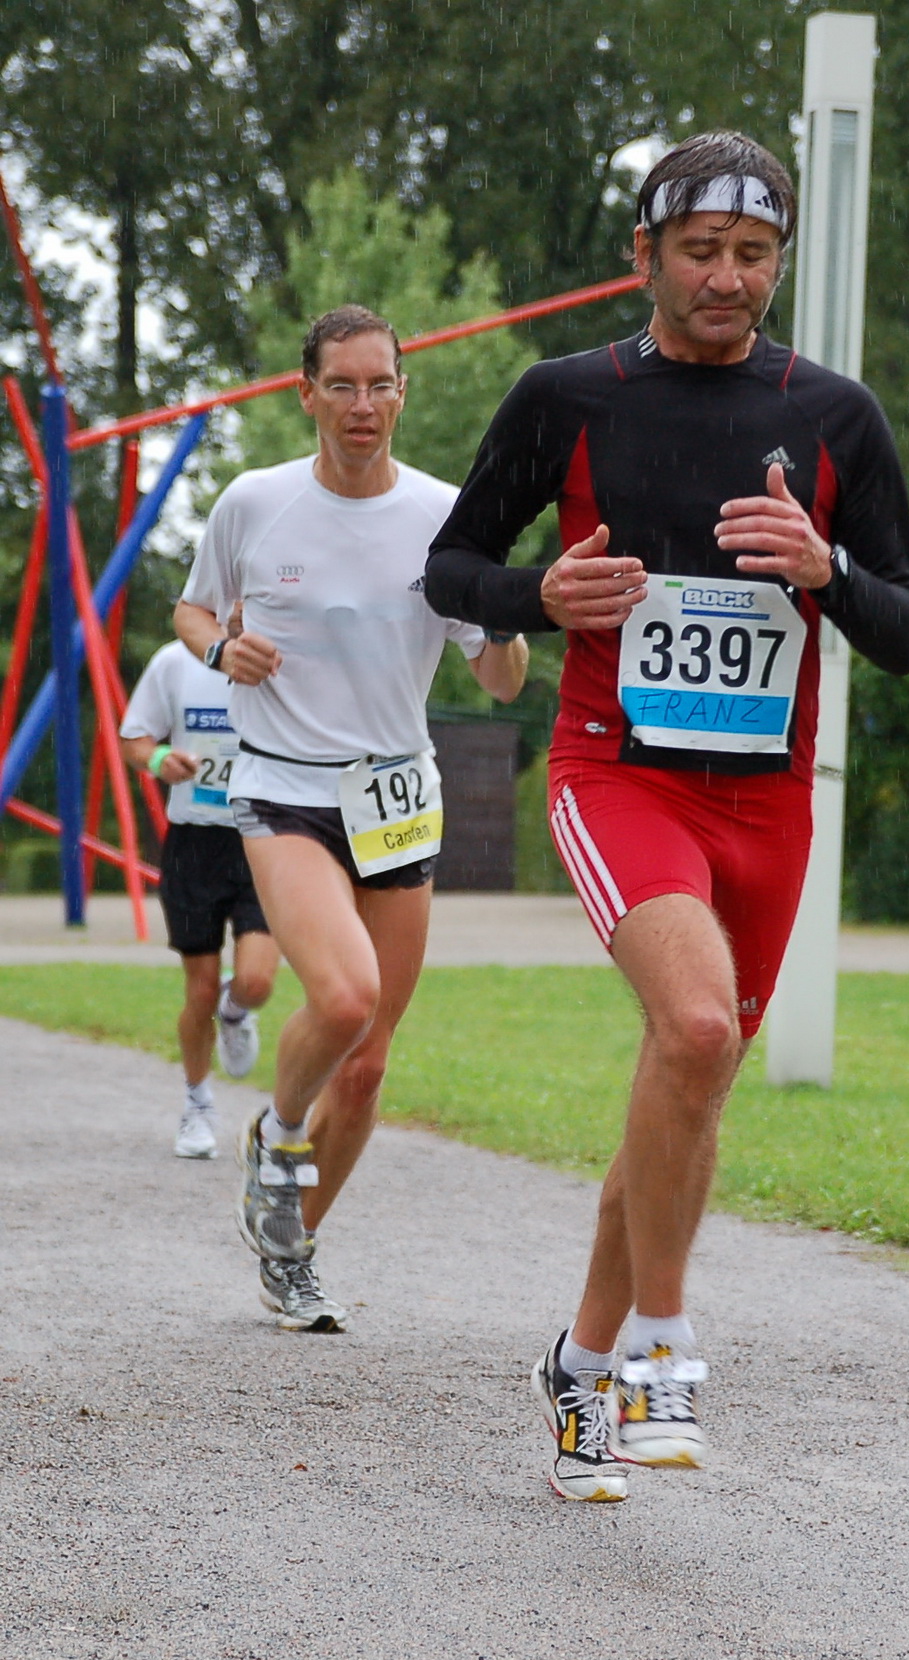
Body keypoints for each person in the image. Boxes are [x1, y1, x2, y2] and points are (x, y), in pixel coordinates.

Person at [425, 132, 909, 1501]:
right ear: (643, 257)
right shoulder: (565, 396)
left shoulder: (834, 416)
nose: (725, 277)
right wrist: (541, 596)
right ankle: (660, 1346)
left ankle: (578, 1374)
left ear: (779, 263)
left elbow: (908, 630)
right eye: (697, 251)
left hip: (765, 807)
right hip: (617, 773)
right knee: (696, 1026)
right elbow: (451, 566)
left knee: (684, 1086)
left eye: (752, 254)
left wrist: (826, 571)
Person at [175, 304, 527, 1332]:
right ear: (307, 394)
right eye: (344, 385)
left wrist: (507, 619)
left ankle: (291, 1246)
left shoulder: (446, 514)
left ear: (402, 392)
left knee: (369, 1064)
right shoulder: (255, 502)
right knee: (343, 1000)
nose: (363, 405)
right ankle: (278, 1135)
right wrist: (216, 651)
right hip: (283, 787)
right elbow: (196, 610)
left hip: (397, 799)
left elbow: (501, 679)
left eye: (381, 384)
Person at [120, 640, 279, 1159]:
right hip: (195, 841)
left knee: (255, 981)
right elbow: (133, 739)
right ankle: (197, 1105)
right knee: (200, 988)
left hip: (265, 836)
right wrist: (162, 757)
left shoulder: (286, 654)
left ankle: (237, 1013)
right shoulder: (175, 661)